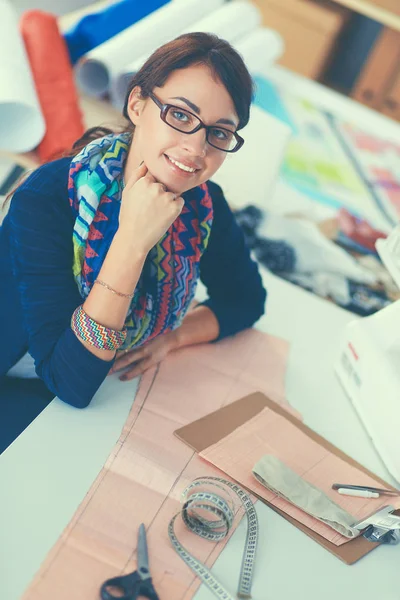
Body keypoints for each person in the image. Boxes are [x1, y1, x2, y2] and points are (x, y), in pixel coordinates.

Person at [0, 32, 266, 451]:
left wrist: (174, 336)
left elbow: (246, 298)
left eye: (219, 132)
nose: (196, 148)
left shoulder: (201, 205)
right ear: (138, 104)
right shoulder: (48, 197)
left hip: (102, 398)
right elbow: (69, 380)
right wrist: (132, 241)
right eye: (180, 115)